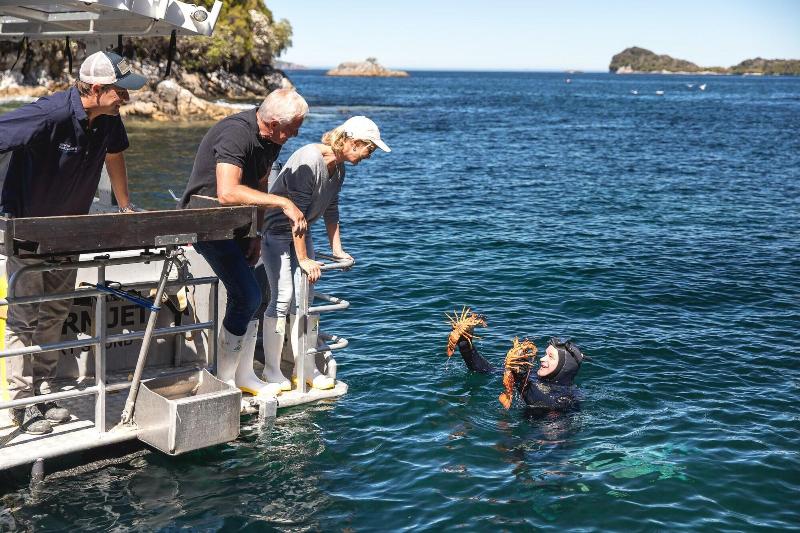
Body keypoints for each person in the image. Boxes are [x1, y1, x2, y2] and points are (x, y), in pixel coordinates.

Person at [0, 50, 145, 435]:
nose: (126, 99)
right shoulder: (50, 113)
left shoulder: (109, 118)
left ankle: (44, 389)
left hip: (71, 232)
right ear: (96, 89)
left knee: (55, 312)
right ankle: (22, 402)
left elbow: (115, 156)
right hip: (29, 232)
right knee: (24, 315)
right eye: (120, 91)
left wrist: (125, 205)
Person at [178, 88, 309, 397]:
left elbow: (260, 181)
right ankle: (223, 382)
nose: (297, 133)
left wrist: (256, 232)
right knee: (247, 295)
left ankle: (245, 374)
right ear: (275, 122)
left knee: (257, 294)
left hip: (239, 227)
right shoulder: (236, 132)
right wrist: (283, 203)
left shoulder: (271, 140)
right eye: (294, 127)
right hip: (206, 223)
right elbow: (227, 192)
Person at [260, 116, 391, 391]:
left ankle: (305, 367)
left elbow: (331, 208)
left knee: (304, 301)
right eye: (370, 149)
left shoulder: (339, 168)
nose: (370, 155)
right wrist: (305, 259)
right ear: (353, 142)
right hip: (278, 233)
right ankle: (272, 369)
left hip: (301, 233)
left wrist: (336, 249)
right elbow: (296, 215)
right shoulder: (310, 160)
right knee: (283, 297)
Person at [447, 309, 586, 411]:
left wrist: (521, 379)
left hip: (552, 443)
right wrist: (465, 344)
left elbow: (546, 404)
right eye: (544, 354)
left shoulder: (569, 396)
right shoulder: (532, 376)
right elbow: (484, 370)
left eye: (550, 357)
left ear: (564, 367)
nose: (542, 359)